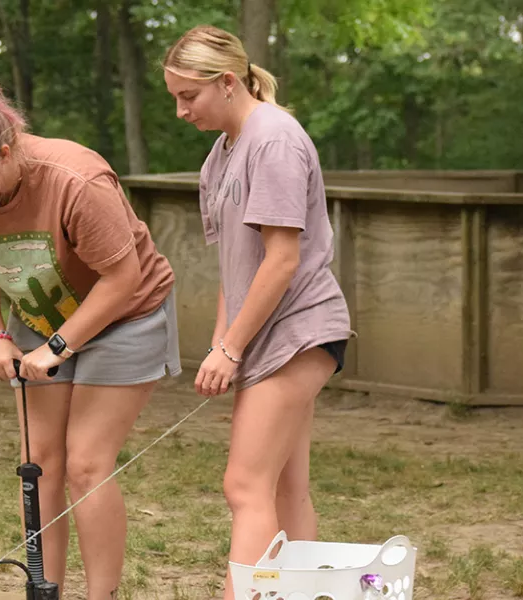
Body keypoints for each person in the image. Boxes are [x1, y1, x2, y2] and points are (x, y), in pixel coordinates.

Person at [0, 63, 180, 600]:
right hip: (41, 310)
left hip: (125, 314)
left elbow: (122, 276)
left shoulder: (77, 181)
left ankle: (99, 596)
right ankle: (45, 590)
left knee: (87, 463)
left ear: (6, 153)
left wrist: (60, 346)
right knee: (39, 465)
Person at [160, 25, 353, 600]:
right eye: (173, 96)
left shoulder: (274, 140)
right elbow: (235, 270)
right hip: (264, 337)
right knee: (284, 488)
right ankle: (306, 593)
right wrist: (223, 345)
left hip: (300, 329)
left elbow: (282, 260)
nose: (180, 111)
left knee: (244, 485)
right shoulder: (220, 155)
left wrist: (232, 347)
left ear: (226, 82)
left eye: (187, 96)